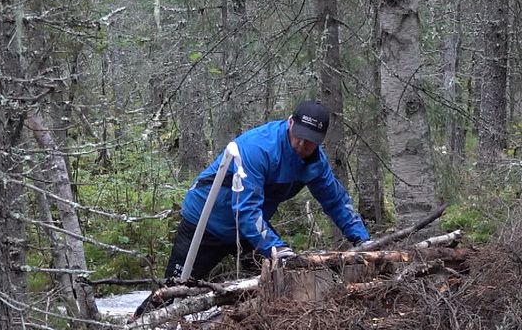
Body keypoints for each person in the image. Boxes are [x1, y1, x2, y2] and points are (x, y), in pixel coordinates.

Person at [135, 100, 370, 316]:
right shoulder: (258, 148)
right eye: (299, 136)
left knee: (274, 286)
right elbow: (246, 210)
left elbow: (336, 201)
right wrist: (278, 250)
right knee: (173, 291)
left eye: (310, 142)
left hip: (249, 231)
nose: (302, 144)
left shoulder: (315, 163)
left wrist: (362, 240)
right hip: (206, 222)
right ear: (290, 123)